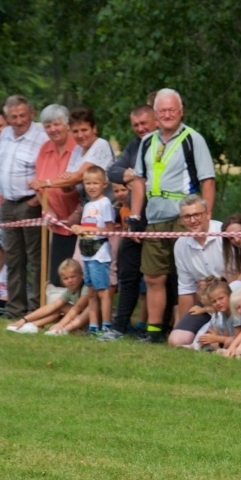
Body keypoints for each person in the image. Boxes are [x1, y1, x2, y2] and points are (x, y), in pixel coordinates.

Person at [129, 88, 218, 342]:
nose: (167, 115)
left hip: (185, 215)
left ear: (181, 111)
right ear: (155, 114)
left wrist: (206, 217)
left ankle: (190, 327)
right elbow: (138, 180)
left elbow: (208, 180)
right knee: (154, 275)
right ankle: (154, 331)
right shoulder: (147, 141)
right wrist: (135, 216)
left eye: (172, 110)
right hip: (155, 217)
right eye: (162, 111)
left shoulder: (193, 138)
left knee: (189, 274)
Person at [101, 104, 159, 340]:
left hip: (159, 218)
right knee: (127, 271)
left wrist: (137, 177)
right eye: (135, 125)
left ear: (155, 121)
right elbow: (112, 171)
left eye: (144, 123)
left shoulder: (165, 144)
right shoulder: (135, 145)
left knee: (160, 276)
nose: (140, 128)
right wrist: (136, 176)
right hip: (135, 219)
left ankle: (158, 328)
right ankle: (119, 326)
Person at [0, 95, 47, 319]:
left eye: (23, 115)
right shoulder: (5, 135)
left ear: (31, 113)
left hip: (30, 204)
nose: (19, 120)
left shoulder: (42, 135)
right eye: (13, 117)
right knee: (13, 259)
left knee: (35, 259)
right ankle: (15, 309)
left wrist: (34, 201)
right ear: (7, 118)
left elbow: (46, 171)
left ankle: (36, 308)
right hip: (8, 204)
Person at [31, 105, 83, 277]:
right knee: (58, 274)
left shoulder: (79, 147)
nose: (53, 129)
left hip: (81, 223)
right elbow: (38, 185)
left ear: (67, 124)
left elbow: (88, 185)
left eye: (57, 124)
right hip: (57, 224)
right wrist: (48, 211)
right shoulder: (45, 148)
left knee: (78, 275)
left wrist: (77, 213)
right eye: (48, 126)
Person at [168, 196, 226, 348]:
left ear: (207, 214)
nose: (193, 221)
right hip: (205, 304)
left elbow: (240, 279)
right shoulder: (180, 244)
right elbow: (186, 288)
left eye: (197, 215)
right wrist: (181, 323)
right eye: (187, 216)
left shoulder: (223, 233)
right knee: (176, 340)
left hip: (232, 300)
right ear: (181, 220)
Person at [72, 165, 116, 334]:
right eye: (87, 183)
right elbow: (87, 227)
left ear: (104, 184)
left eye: (95, 183)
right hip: (87, 252)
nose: (91, 187)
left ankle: (106, 326)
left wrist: (87, 231)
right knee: (90, 291)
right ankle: (93, 325)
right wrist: (79, 229)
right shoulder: (88, 204)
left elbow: (110, 230)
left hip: (99, 253)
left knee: (102, 291)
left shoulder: (104, 204)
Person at [6, 259, 85, 334]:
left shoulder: (86, 288)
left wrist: (60, 324)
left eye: (72, 277)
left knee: (61, 308)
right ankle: (31, 325)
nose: (70, 281)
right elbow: (52, 306)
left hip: (85, 318)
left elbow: (77, 308)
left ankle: (34, 326)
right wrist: (24, 319)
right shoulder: (69, 291)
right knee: (58, 307)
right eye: (66, 278)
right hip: (78, 316)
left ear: (81, 275)